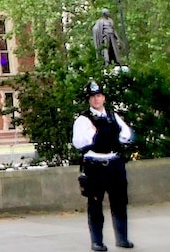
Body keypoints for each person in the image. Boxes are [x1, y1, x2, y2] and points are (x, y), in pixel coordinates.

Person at [73, 80, 134, 251]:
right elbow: (78, 142)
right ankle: (97, 241)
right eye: (93, 96)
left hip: (114, 164)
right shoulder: (83, 119)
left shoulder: (113, 116)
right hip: (95, 166)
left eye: (98, 95)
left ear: (104, 98)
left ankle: (122, 238)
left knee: (120, 203)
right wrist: (94, 134)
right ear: (89, 99)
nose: (96, 99)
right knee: (95, 204)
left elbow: (127, 134)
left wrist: (117, 137)